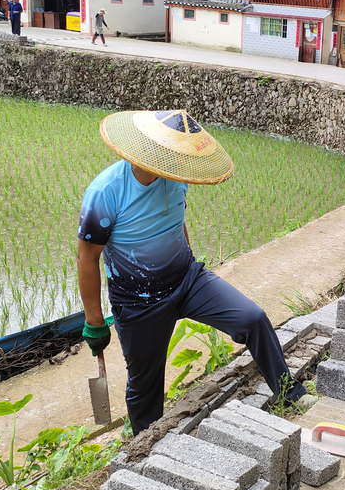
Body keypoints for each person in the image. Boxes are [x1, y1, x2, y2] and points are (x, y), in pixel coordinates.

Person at [77, 109, 318, 435]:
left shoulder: (175, 175)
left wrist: (189, 261)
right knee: (145, 388)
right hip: (139, 303)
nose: (173, 161)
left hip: (188, 280)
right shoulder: (106, 192)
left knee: (253, 318)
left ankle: (289, 394)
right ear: (144, 150)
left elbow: (176, 219)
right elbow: (87, 257)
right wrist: (94, 321)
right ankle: (148, 448)